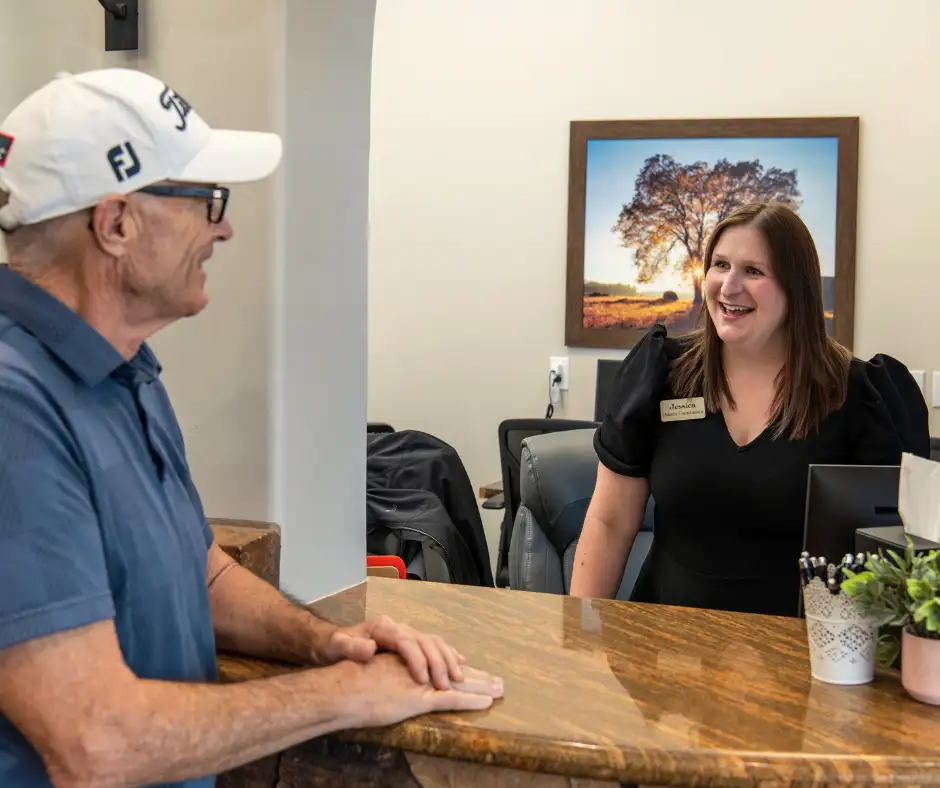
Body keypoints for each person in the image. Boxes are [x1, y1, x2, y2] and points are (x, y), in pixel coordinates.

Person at [0, 68, 502, 788]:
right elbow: (95, 742)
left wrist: (329, 643)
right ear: (115, 224)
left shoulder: (126, 372)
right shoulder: (15, 410)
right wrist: (347, 696)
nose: (225, 227)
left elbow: (199, 575)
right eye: (207, 200)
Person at [570, 201, 929, 616]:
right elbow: (610, 521)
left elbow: (899, 559)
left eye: (753, 271)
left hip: (797, 659)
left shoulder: (858, 395)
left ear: (796, 289)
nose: (728, 286)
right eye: (720, 265)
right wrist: (581, 637)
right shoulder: (662, 374)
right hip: (662, 651)